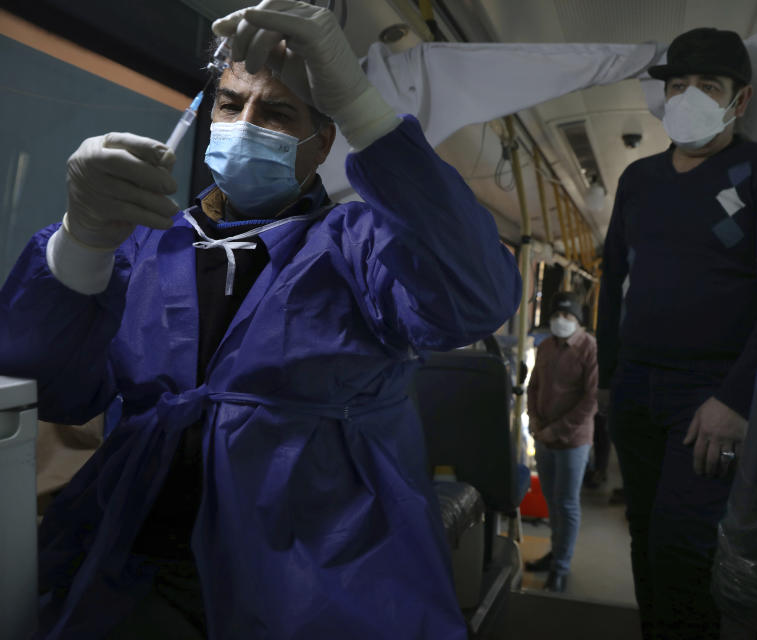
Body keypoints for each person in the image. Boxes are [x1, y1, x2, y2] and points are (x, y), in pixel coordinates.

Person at [0, 1, 520, 637]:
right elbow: (44, 388)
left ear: (322, 140)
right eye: (230, 104)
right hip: (134, 557)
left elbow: (475, 297)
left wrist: (363, 107)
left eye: (276, 114)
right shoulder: (144, 243)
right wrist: (80, 240)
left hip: (313, 578)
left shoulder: (358, 244)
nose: (245, 124)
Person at [596, 27, 757, 639]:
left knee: (683, 550)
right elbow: (613, 280)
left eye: (708, 85)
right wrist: (608, 380)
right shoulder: (639, 181)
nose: (688, 96)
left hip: (711, 394)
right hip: (636, 387)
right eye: (677, 85)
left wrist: (737, 399)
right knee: (643, 536)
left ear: (739, 101)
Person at [524, 292, 598, 593]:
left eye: (568, 317)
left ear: (578, 321)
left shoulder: (589, 348)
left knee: (566, 503)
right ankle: (554, 554)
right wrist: (535, 423)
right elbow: (533, 387)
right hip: (544, 437)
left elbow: (591, 400)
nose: (561, 321)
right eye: (557, 316)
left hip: (572, 441)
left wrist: (556, 430)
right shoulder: (545, 347)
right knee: (552, 502)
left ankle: (561, 568)